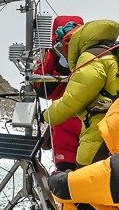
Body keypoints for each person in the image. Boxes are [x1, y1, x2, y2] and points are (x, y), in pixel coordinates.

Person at [41, 17, 119, 164]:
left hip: (94, 130)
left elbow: (71, 102)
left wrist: (46, 116)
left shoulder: (91, 58)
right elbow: (44, 89)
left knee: (80, 180)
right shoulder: (115, 53)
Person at [27, 15, 86, 172]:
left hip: (79, 126)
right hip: (67, 127)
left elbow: (44, 90)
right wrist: (61, 63)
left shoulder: (90, 56)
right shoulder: (52, 55)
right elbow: (43, 89)